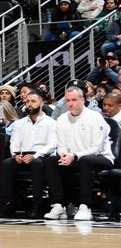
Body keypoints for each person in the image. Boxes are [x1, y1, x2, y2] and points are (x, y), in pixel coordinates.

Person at [44, 86, 114, 221]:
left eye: (74, 100)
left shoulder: (95, 117)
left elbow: (97, 148)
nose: (70, 103)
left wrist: (74, 155)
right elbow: (61, 145)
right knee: (50, 161)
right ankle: (58, 205)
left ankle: (84, 206)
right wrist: (64, 155)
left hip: (101, 158)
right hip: (74, 158)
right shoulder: (62, 119)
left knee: (86, 160)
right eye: (68, 100)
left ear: (82, 100)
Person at [0, 91, 57, 219]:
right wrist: (15, 155)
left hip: (41, 157)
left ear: (41, 102)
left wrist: (36, 155)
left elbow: (52, 144)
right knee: (6, 164)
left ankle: (37, 205)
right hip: (22, 156)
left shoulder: (51, 123)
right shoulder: (19, 123)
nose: (29, 104)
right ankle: (9, 202)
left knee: (37, 163)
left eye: (33, 101)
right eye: (27, 101)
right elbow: (14, 143)